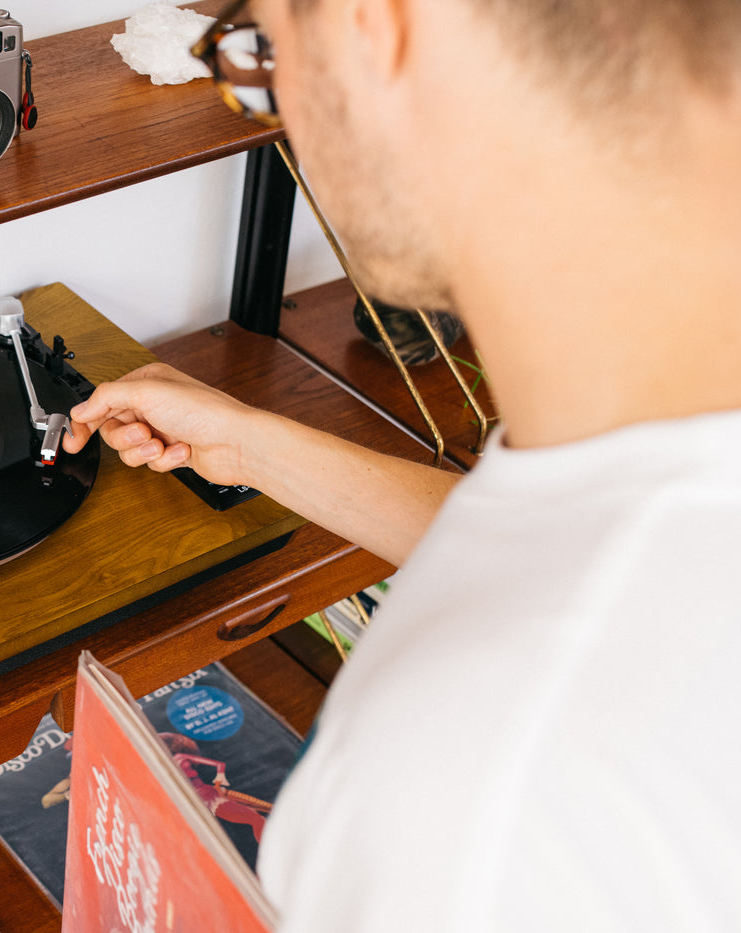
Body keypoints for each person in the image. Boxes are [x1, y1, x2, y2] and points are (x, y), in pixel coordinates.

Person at [63, 0, 741, 928]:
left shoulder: (471, 801)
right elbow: (572, 560)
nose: (276, 105)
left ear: (372, 28)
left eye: (261, 49)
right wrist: (253, 443)